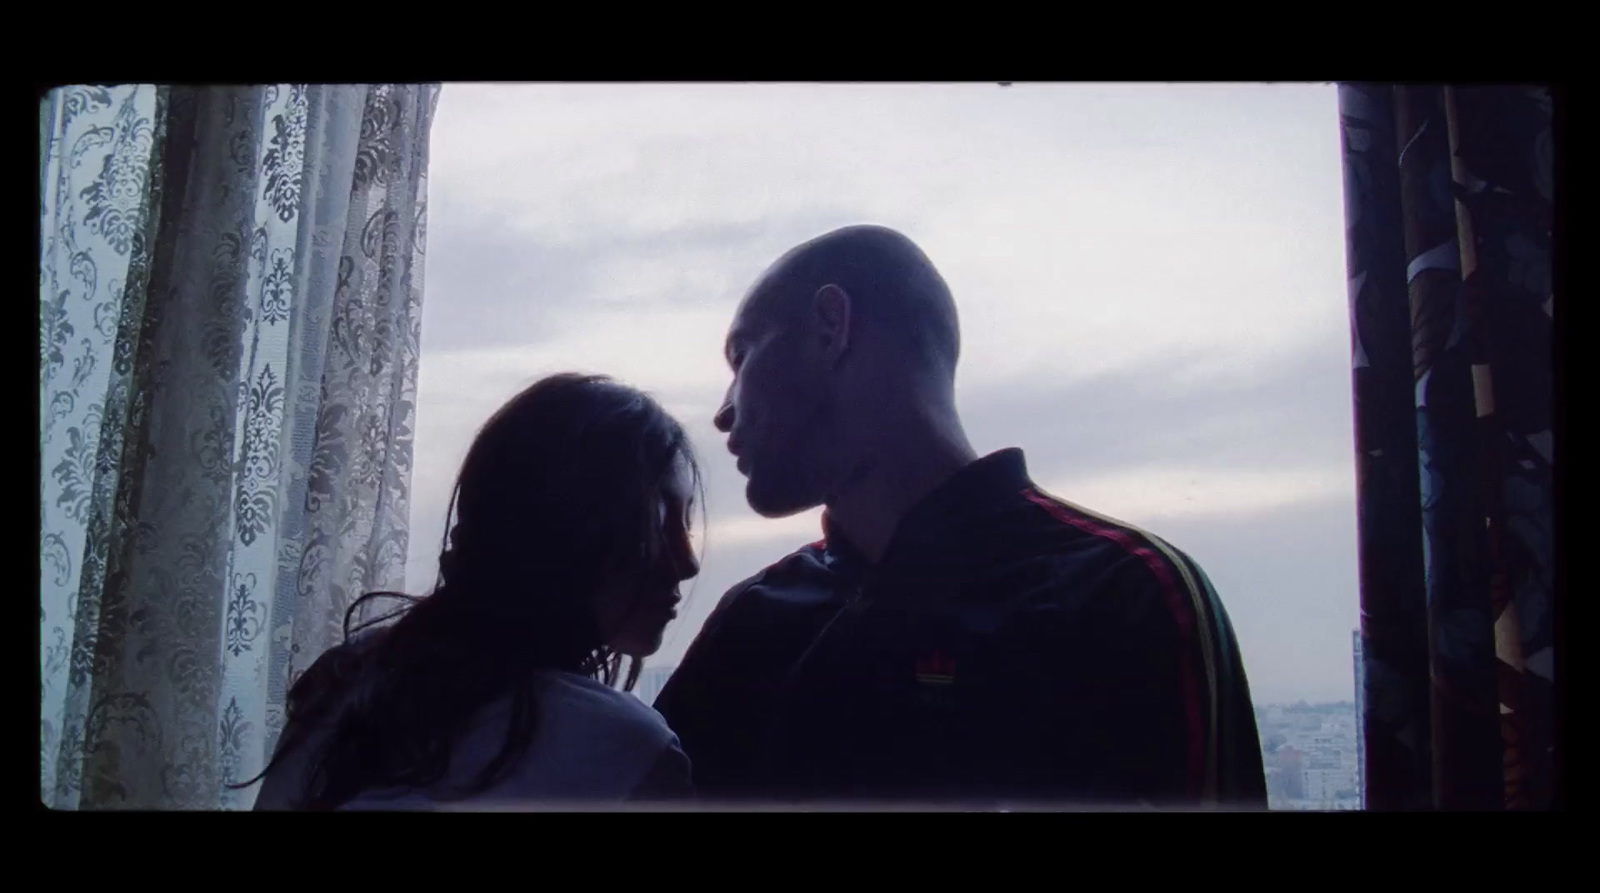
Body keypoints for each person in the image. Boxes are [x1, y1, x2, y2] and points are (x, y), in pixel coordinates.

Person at [654, 224, 1268, 808]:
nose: (724, 412)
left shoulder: (1124, 596)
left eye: (742, 357)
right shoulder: (751, 622)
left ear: (829, 326)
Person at [243, 373, 702, 809]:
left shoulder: (345, 681)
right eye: (661, 521)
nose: (688, 562)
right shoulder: (626, 754)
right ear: (572, 527)